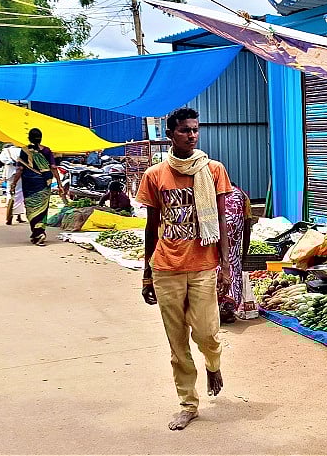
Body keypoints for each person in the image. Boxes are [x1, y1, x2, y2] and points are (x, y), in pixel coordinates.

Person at [136, 107, 232, 431]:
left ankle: (213, 363)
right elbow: (151, 227)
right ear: (170, 135)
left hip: (204, 265)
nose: (192, 135)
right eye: (184, 130)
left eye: (195, 129)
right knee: (177, 344)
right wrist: (147, 274)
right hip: (166, 268)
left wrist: (227, 267)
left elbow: (222, 220)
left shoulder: (213, 170)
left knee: (207, 333)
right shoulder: (154, 175)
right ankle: (188, 404)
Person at [9, 128, 67, 245]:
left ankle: (37, 233)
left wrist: (13, 183)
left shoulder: (25, 151)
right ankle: (39, 232)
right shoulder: (47, 150)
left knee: (31, 207)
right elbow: (53, 168)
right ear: (41, 138)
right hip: (44, 183)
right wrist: (60, 184)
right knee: (42, 208)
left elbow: (20, 169)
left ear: (29, 138)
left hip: (29, 183)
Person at [219, 186, 252, 323]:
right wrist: (244, 256)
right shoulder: (243, 196)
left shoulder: (210, 192)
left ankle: (217, 310)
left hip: (213, 249)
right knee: (233, 275)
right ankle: (227, 310)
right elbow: (247, 229)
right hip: (233, 252)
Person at [0, 143, 26, 225]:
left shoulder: (4, 152)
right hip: (20, 174)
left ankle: (10, 215)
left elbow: (5, 162)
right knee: (20, 194)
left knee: (10, 194)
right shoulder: (20, 151)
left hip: (10, 174)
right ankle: (17, 215)